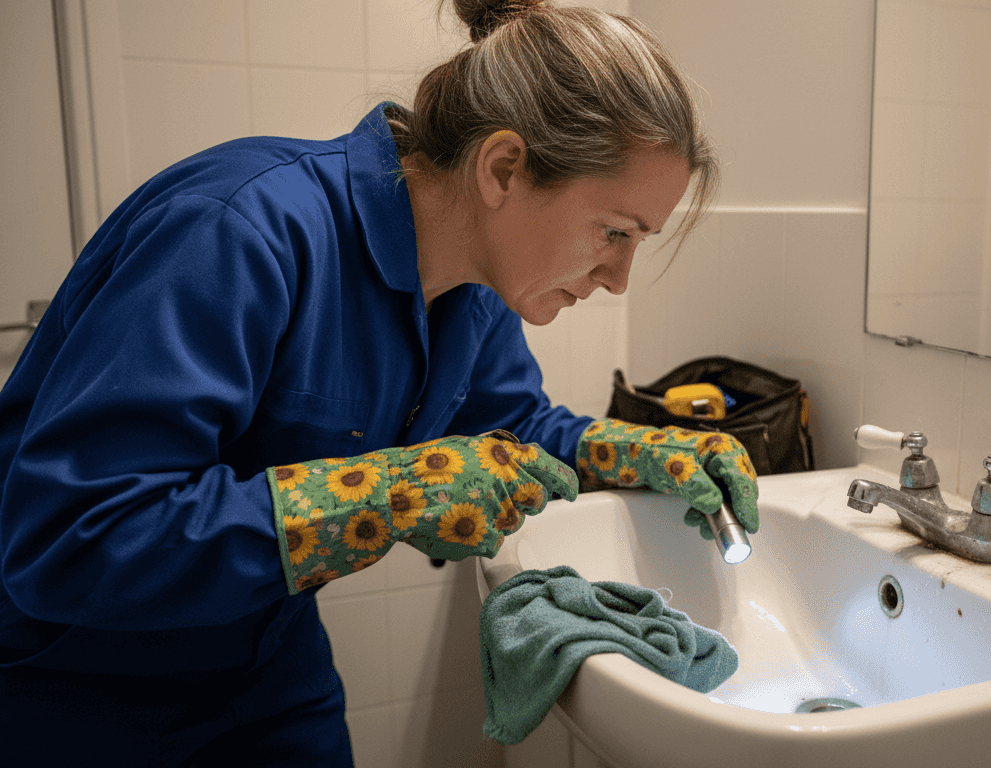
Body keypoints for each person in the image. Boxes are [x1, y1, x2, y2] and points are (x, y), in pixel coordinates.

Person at [0, 1, 760, 763]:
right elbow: (67, 535)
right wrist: (386, 497)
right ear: (503, 168)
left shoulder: (476, 287)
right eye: (614, 232)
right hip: (80, 684)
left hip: (268, 667)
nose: (620, 278)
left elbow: (507, 430)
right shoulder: (237, 230)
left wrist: (634, 450)